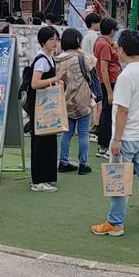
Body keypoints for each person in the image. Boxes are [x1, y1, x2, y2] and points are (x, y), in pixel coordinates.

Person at [91, 30, 139, 236]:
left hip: (127, 136)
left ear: (121, 50)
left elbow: (122, 110)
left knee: (119, 180)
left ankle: (115, 222)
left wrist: (117, 139)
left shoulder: (126, 76)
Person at [29, 26, 65, 191]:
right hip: (39, 107)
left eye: (56, 40)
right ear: (43, 41)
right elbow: (35, 83)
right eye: (51, 40)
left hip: (46, 106)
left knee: (48, 140)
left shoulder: (49, 57)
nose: (55, 43)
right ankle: (38, 180)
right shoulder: (42, 59)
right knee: (41, 142)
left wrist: (56, 81)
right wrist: (55, 79)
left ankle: (47, 176)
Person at [56, 28, 96, 175]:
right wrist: (80, 51)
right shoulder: (81, 58)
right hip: (83, 99)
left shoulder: (59, 59)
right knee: (84, 133)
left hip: (66, 100)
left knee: (67, 133)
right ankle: (83, 164)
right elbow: (94, 61)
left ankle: (63, 162)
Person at [94, 17, 121, 158]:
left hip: (108, 81)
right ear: (111, 30)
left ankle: (104, 144)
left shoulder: (102, 42)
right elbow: (104, 69)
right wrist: (110, 92)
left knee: (108, 112)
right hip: (109, 82)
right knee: (108, 113)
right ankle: (104, 145)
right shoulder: (104, 45)